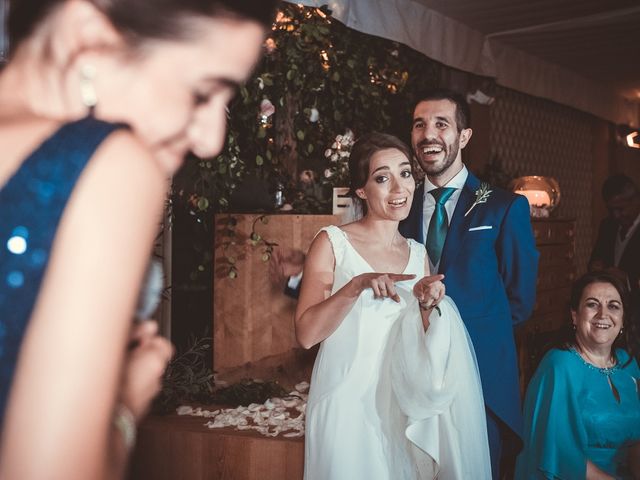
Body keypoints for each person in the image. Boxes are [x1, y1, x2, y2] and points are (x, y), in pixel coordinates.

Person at [0, 1, 277, 478]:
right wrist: (123, 405)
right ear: (86, 36)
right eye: (201, 92)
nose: (211, 140)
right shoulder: (107, 165)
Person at [297, 132, 491, 479]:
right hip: (346, 402)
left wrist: (429, 308)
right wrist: (355, 286)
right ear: (360, 190)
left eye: (405, 173)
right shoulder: (332, 243)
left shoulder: (419, 254)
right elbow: (306, 334)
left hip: (402, 407)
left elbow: (426, 341)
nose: (399, 188)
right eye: (382, 178)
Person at [399, 88, 539, 477]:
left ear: (464, 136)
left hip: (479, 382)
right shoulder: (399, 207)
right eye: (419, 124)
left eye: (441, 124)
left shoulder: (503, 206)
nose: (429, 134)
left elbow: (520, 300)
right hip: (409, 377)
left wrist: (462, 342)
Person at [515, 271, 640, 479]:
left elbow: (636, 439)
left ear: (622, 318)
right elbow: (561, 455)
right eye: (592, 304)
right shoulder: (558, 366)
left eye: (613, 306)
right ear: (575, 315)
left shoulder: (628, 363)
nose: (603, 314)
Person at [589, 173, 640, 292]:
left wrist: (627, 280)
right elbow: (595, 258)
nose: (616, 215)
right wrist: (595, 266)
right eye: (611, 210)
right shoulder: (607, 225)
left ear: (636, 200)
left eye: (621, 208)